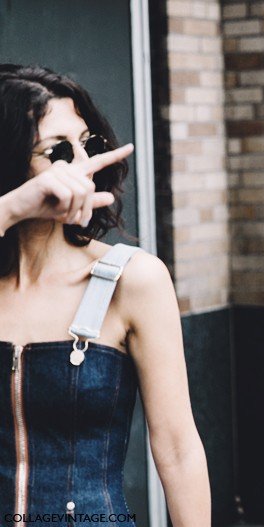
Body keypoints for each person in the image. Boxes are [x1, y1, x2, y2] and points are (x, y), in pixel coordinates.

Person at [0, 65, 210, 524]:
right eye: (57, 152)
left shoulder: (131, 279)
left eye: (89, 145)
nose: (83, 165)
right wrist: (12, 207)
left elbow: (177, 448)